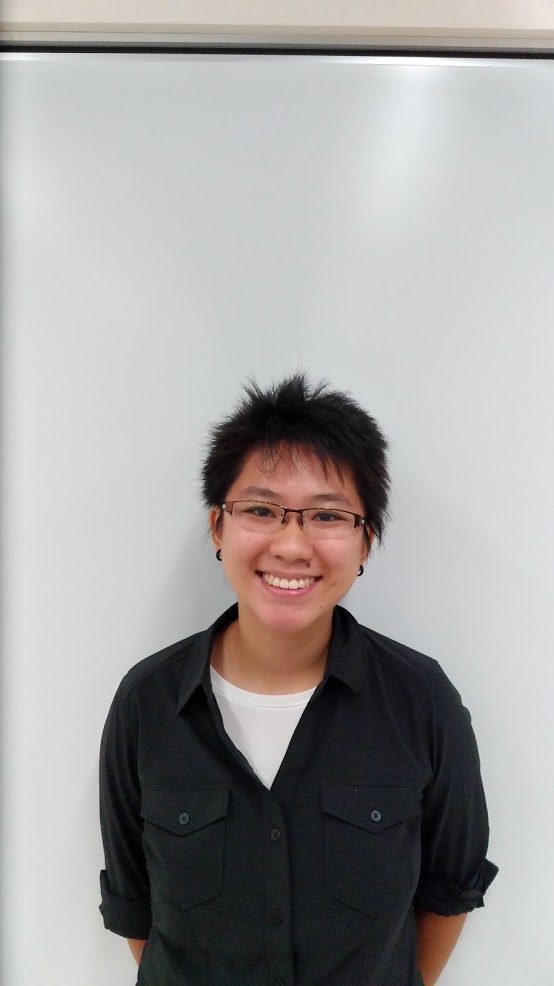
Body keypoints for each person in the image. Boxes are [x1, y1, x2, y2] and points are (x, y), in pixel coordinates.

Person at [98, 372, 498, 986]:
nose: (291, 545)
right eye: (261, 510)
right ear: (218, 527)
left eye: (327, 515)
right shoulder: (146, 702)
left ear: (366, 543)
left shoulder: (421, 702)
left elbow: (451, 887)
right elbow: (133, 903)